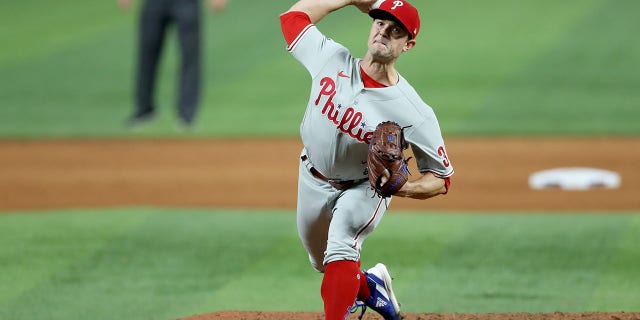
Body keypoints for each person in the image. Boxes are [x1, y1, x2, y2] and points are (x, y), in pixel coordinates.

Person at [279, 0, 454, 319]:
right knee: (322, 263)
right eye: (380, 23)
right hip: (312, 175)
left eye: (396, 30)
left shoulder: (414, 112)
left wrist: (403, 188)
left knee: (342, 247)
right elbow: (294, 17)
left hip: (365, 187)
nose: (384, 31)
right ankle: (371, 285)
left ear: (407, 44)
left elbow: (441, 179)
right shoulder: (331, 58)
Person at [118, 0, 228, 128]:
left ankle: (187, 114)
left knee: (190, 56)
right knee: (147, 53)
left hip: (187, 3)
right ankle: (144, 109)